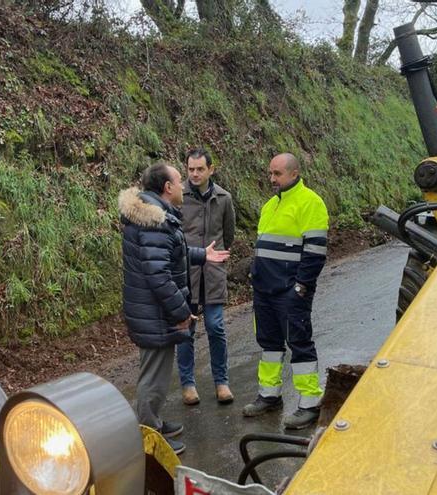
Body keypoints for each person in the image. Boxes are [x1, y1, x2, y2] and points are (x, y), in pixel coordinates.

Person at [118, 161, 230, 455]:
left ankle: (152, 421)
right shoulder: (154, 221)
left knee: (156, 372)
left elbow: (168, 256)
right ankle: (147, 437)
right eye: (179, 180)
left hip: (151, 311)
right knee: (153, 376)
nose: (183, 185)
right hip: (154, 313)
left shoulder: (155, 216)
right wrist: (182, 312)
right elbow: (160, 276)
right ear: (167, 188)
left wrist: (200, 255)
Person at [242, 153, 329, 430]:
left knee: (299, 343)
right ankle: (269, 395)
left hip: (290, 291)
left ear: (294, 174)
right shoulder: (270, 205)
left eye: (277, 174)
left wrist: (301, 287)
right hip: (265, 290)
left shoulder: (311, 203)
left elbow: (315, 253)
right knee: (269, 345)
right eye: (270, 173)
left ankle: (310, 403)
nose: (272, 179)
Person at [177, 148, 237, 406]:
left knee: (215, 326)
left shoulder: (224, 198)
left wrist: (216, 257)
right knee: (186, 330)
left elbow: (228, 234)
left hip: (213, 272)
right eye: (191, 169)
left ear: (211, 169)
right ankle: (188, 385)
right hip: (186, 271)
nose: (195, 174)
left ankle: (221, 382)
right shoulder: (178, 197)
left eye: (200, 169)